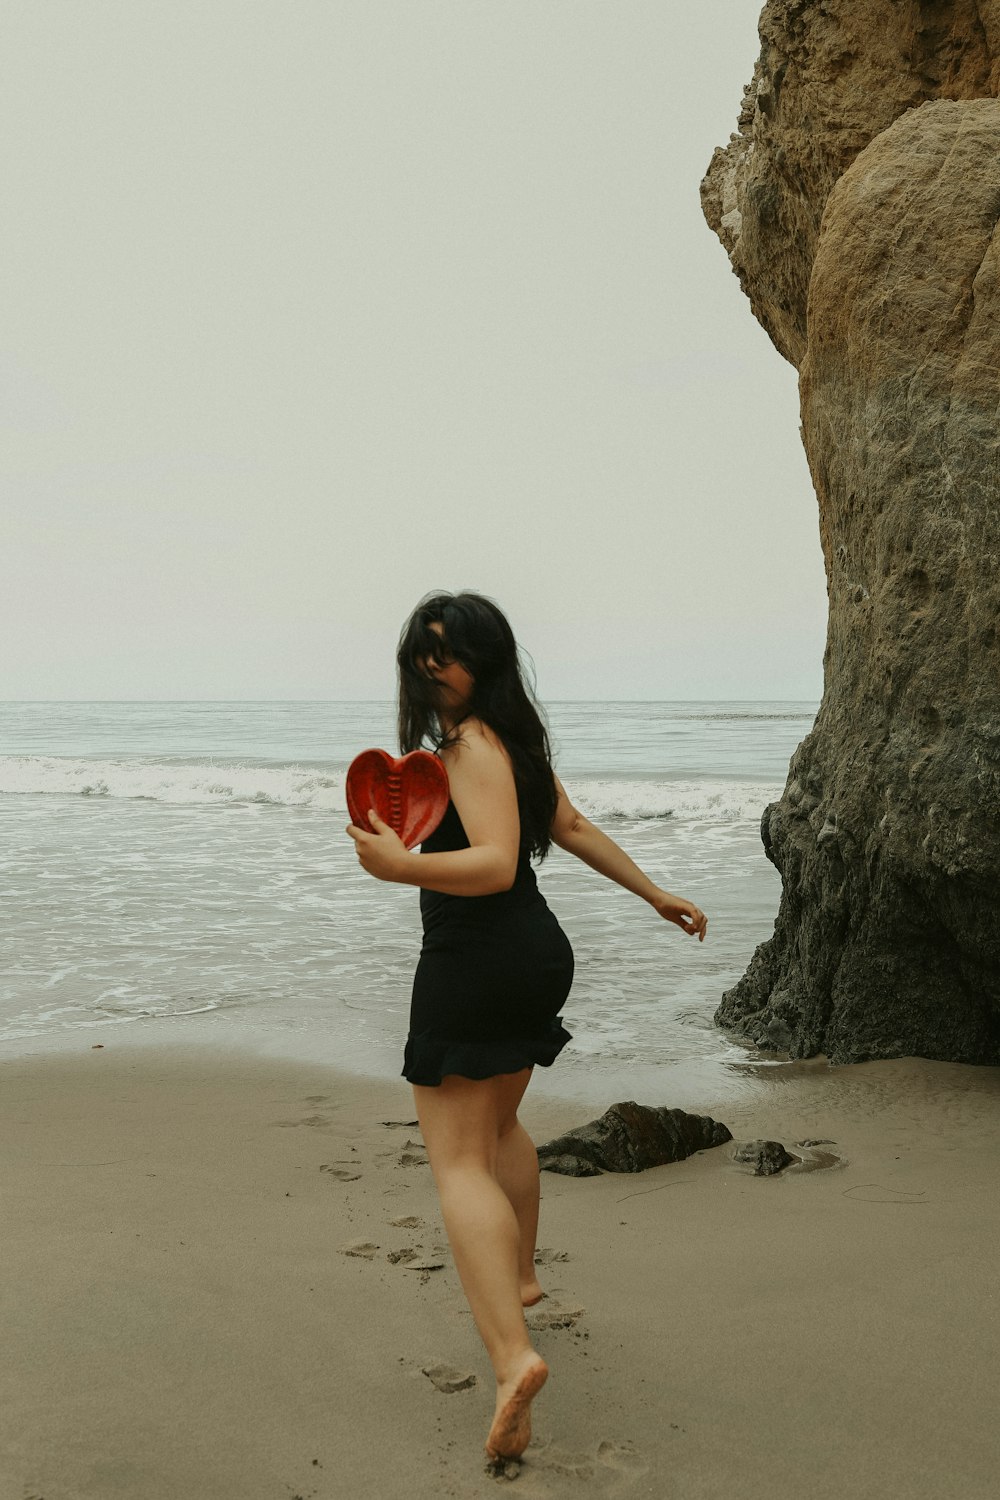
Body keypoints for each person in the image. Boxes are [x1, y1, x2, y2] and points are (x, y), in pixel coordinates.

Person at [346, 591, 707, 1464]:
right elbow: (569, 826)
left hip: (478, 960)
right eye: (423, 651)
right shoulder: (516, 740)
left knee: (458, 1161)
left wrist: (401, 868)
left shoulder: (469, 745)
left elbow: (499, 863)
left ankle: (512, 1360)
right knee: (500, 1123)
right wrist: (653, 891)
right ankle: (523, 1276)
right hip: (533, 956)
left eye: (452, 651)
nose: (435, 666)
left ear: (487, 661)